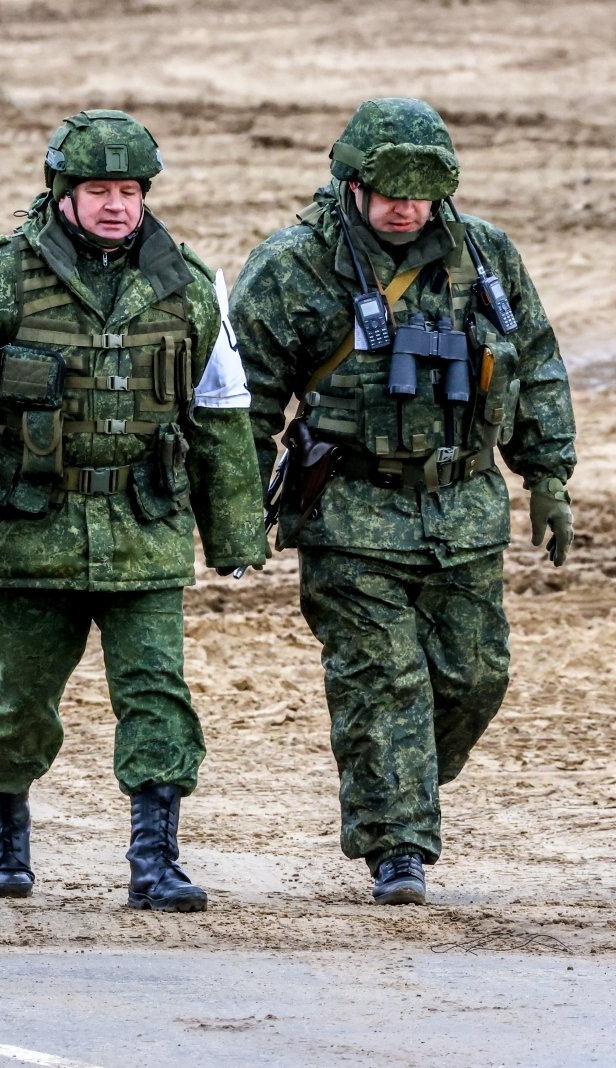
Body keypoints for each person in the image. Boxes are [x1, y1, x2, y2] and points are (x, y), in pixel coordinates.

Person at [0, 110, 266, 911]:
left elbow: (221, 410)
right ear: (62, 192)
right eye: (98, 189)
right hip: (32, 529)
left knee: (157, 693)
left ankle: (155, 859)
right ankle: (5, 831)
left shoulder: (186, 285)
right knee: (19, 702)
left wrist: (233, 529)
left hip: (146, 527)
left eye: (129, 190)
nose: (116, 205)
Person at [230, 97, 577, 905]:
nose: (405, 206)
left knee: (475, 677)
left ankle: (403, 778)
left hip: (463, 510)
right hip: (350, 514)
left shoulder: (485, 257)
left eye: (422, 192)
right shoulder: (294, 266)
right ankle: (398, 848)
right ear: (352, 181)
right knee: (383, 683)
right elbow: (243, 402)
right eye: (389, 190)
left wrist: (549, 475)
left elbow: (536, 364)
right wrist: (238, 509)